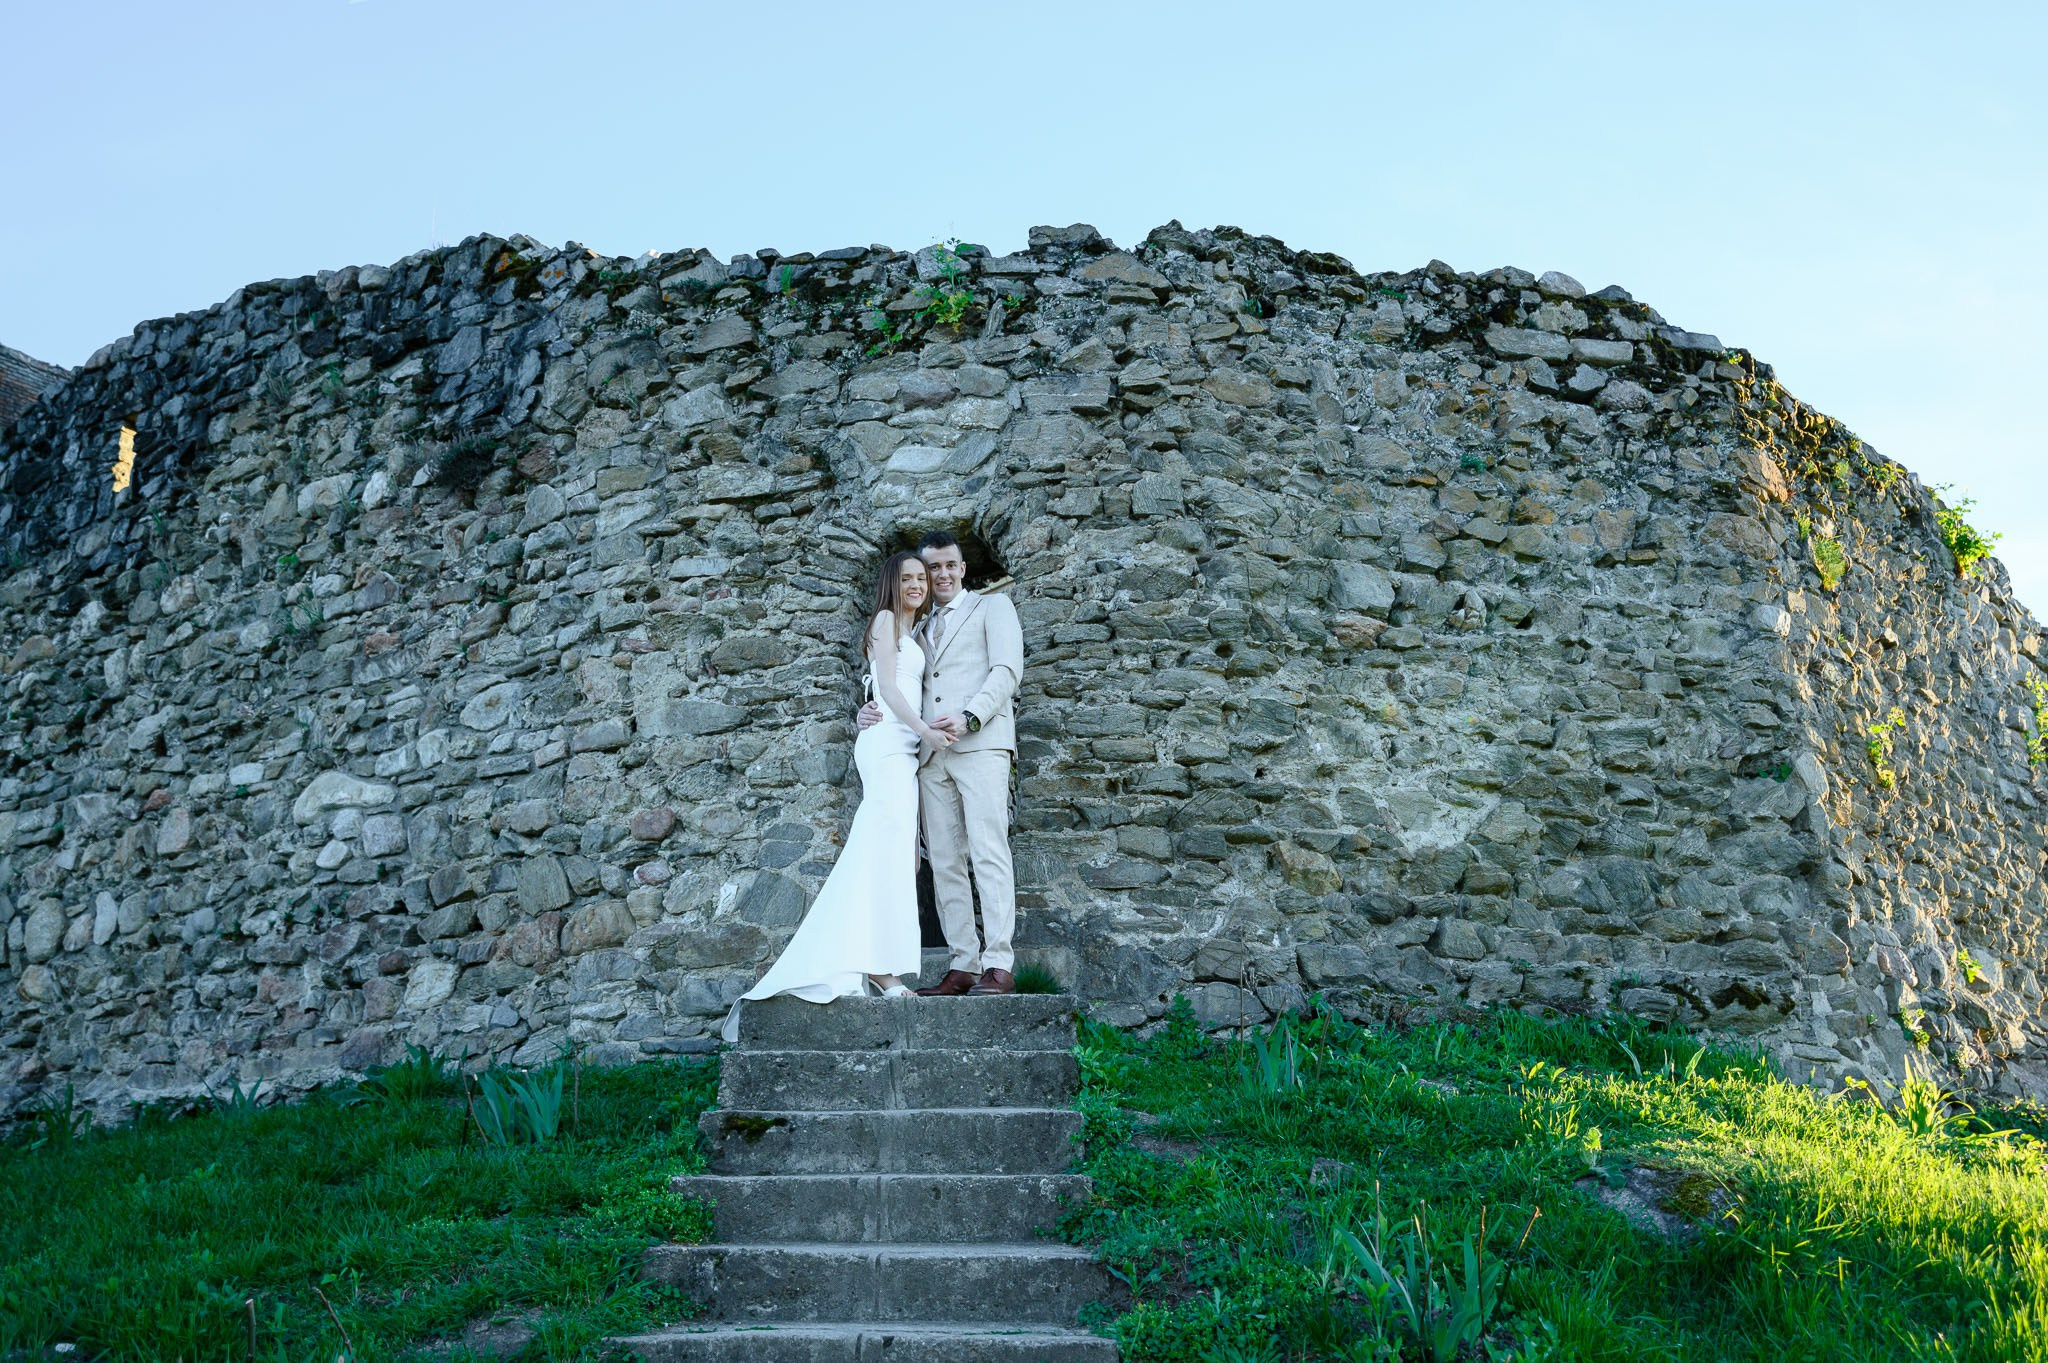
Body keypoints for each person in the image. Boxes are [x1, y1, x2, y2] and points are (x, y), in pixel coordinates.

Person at [721, 553, 954, 1043]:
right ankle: (881, 970)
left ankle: (872, 958)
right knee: (885, 853)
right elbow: (888, 686)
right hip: (892, 742)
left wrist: (899, 726)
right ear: (892, 583)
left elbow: (885, 686)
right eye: (907, 578)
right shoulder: (887, 620)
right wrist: (923, 731)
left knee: (901, 858)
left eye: (921, 578)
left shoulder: (919, 629)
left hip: (902, 745)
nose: (917, 585)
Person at [860, 531, 1025, 996]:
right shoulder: (915, 629)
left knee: (988, 849)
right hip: (930, 758)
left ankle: (998, 963)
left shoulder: (993, 608)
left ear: (963, 568)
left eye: (950, 565)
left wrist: (972, 715)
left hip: (981, 745)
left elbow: (1007, 669)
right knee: (946, 862)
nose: (942, 574)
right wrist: (866, 706)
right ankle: (962, 964)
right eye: (933, 569)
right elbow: (894, 681)